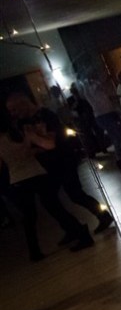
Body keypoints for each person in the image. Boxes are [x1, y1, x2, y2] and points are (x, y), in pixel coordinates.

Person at [5, 90, 113, 242]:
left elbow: (51, 143)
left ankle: (98, 218)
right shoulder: (25, 122)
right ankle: (74, 227)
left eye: (14, 109)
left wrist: (35, 145)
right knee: (51, 200)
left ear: (24, 104)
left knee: (73, 194)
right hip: (48, 165)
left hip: (63, 160)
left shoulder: (46, 115)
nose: (13, 114)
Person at [1, 108, 91, 261]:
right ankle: (81, 234)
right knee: (54, 207)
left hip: (18, 179)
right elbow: (49, 145)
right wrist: (34, 148)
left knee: (29, 217)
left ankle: (35, 252)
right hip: (37, 173)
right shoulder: (24, 131)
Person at [78, 73, 121, 171]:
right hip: (104, 115)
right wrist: (104, 80)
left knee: (118, 137)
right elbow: (95, 89)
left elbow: (106, 97)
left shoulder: (95, 87)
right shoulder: (88, 87)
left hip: (107, 114)